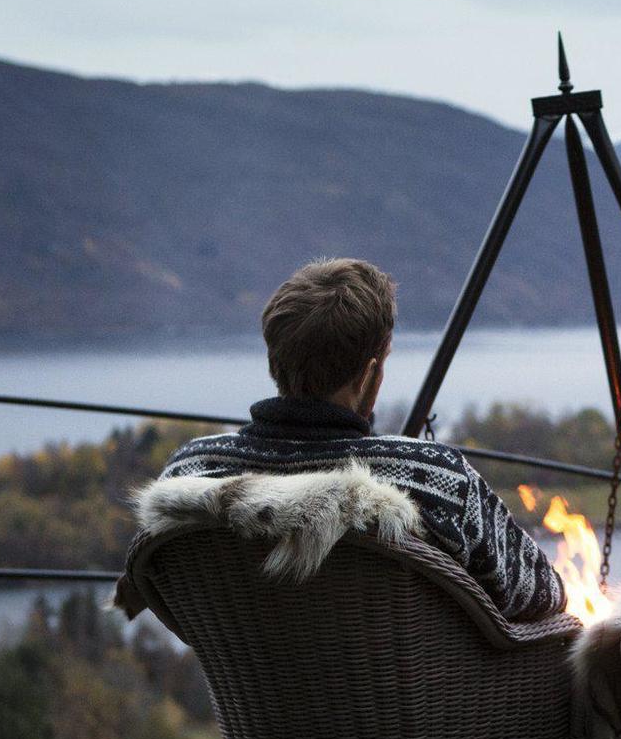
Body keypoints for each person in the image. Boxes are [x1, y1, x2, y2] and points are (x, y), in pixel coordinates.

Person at [158, 257, 565, 621]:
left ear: (275, 360)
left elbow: (167, 595)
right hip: (418, 702)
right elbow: (543, 596)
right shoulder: (438, 484)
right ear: (369, 375)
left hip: (252, 702)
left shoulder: (191, 474)